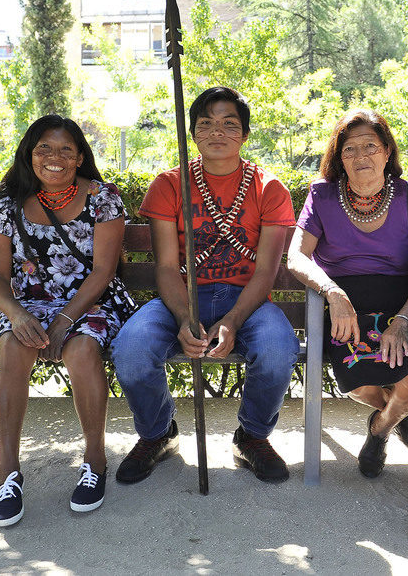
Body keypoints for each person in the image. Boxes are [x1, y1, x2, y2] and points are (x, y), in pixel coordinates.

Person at [110, 86, 299, 485]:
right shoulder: (168, 185)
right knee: (130, 349)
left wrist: (232, 320)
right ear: (193, 133)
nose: (217, 132)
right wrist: (183, 316)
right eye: (206, 124)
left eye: (229, 124)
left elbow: (265, 271)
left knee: (278, 349)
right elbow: (165, 266)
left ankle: (252, 435)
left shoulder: (270, 189)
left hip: (246, 299)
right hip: (180, 297)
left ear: (245, 135)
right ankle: (158, 434)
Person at [0, 114, 136, 526]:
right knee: (12, 349)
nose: (55, 158)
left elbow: (104, 272)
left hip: (91, 302)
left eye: (66, 150)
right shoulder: (8, 202)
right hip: (28, 305)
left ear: (80, 156)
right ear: (29, 155)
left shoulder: (103, 198)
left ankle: (94, 461)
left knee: (83, 349)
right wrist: (15, 314)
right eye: (44, 149)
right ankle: (7, 473)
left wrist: (66, 319)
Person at [287, 109, 408, 478]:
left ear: (386, 152)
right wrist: (332, 292)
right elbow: (296, 256)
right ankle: (394, 413)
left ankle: (380, 430)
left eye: (370, 146)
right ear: (338, 157)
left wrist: (404, 319)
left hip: (402, 305)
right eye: (350, 149)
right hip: (346, 305)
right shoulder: (323, 195)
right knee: (359, 385)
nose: (361, 157)